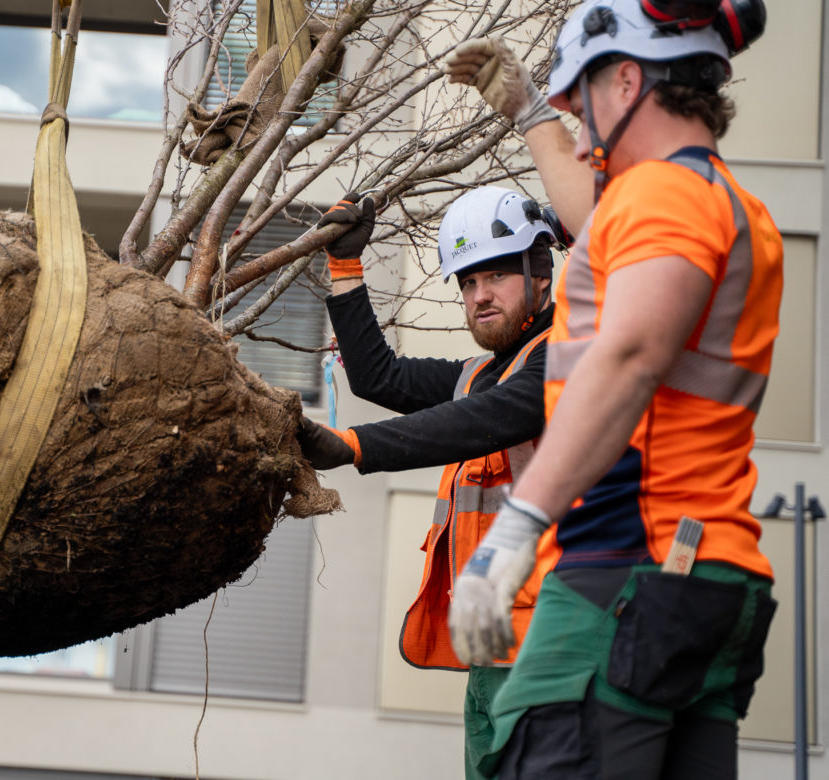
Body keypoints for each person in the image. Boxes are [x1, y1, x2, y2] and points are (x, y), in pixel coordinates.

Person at [443, 1, 781, 777]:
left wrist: (515, 528)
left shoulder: (665, 194)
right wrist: (530, 114)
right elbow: (604, 230)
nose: (577, 126)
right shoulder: (726, 203)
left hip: (627, 567)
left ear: (628, 81)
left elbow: (629, 354)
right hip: (705, 577)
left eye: (582, 98)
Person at [297, 186, 567, 779]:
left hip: (554, 651)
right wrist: (345, 267)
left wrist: (354, 445)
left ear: (541, 272)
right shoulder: (479, 375)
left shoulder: (570, 358)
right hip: (495, 651)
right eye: (468, 282)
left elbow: (483, 421)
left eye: (496, 275)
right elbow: (378, 376)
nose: (480, 295)